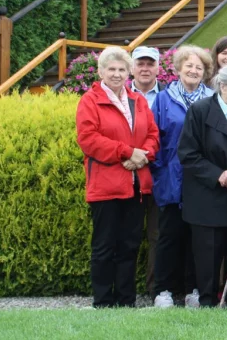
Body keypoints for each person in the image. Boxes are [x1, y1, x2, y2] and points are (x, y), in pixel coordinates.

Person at [76, 46, 159, 308]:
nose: (117, 74)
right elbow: (89, 140)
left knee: (130, 245)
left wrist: (144, 155)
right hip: (106, 185)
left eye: (122, 69)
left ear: (129, 72)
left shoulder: (138, 100)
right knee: (104, 246)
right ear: (100, 71)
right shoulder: (90, 100)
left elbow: (153, 135)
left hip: (136, 186)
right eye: (111, 69)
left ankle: (126, 301)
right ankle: (103, 301)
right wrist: (127, 152)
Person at [178, 65, 227, 307]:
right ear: (223, 86)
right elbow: (187, 154)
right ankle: (208, 301)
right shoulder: (200, 111)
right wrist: (218, 174)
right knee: (208, 253)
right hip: (206, 194)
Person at [150, 45, 214, 308]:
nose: (194, 70)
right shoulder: (164, 99)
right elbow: (154, 137)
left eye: (199, 67)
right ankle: (163, 290)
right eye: (189, 66)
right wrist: (162, 170)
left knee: (196, 238)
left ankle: (194, 290)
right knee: (168, 236)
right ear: (177, 69)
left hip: (201, 179)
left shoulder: (212, 98)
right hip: (172, 178)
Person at [128, 45, 162, 296]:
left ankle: (154, 290)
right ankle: (124, 291)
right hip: (125, 173)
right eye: (140, 63)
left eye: (150, 64)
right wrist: (129, 156)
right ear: (132, 68)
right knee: (127, 235)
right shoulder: (120, 95)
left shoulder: (168, 96)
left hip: (158, 175)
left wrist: (144, 155)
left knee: (157, 236)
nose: (145, 68)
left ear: (158, 68)